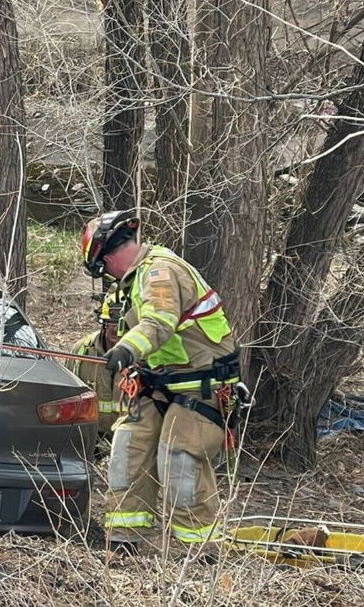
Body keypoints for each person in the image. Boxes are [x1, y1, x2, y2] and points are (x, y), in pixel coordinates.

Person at [81, 210, 240, 557]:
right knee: (127, 449)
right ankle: (123, 541)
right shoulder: (136, 279)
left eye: (104, 269)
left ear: (107, 258)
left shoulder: (160, 271)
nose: (108, 277)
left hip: (200, 384)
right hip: (159, 382)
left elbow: (160, 321)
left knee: (180, 457)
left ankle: (202, 552)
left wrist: (126, 349)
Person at [70, 287, 123, 437]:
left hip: (129, 436)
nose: (116, 329)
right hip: (91, 434)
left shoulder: (142, 355)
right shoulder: (83, 350)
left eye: (121, 323)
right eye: (110, 322)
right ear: (103, 322)